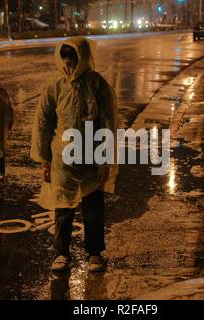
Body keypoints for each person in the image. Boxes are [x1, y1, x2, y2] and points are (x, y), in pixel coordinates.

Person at [30, 37, 118, 272]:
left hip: (91, 155)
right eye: (65, 62)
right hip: (62, 158)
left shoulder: (97, 84)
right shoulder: (55, 84)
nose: (68, 67)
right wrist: (44, 159)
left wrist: (105, 159)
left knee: (93, 207)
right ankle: (61, 253)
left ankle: (94, 254)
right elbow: (43, 122)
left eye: (73, 62)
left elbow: (107, 123)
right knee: (62, 208)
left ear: (83, 60)